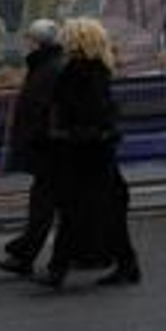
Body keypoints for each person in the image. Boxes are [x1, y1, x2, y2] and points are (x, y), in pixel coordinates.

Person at [39, 18, 141, 289]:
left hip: (85, 152)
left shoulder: (81, 72)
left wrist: (70, 134)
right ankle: (125, 265)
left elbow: (90, 115)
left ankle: (58, 269)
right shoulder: (96, 70)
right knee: (104, 212)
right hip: (95, 152)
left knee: (75, 210)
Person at [0, 19, 65, 276]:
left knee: (46, 206)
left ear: (36, 43)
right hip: (50, 149)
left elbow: (46, 112)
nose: (25, 45)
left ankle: (29, 256)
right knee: (50, 205)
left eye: (29, 40)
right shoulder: (45, 67)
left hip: (51, 150)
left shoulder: (49, 69)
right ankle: (27, 255)